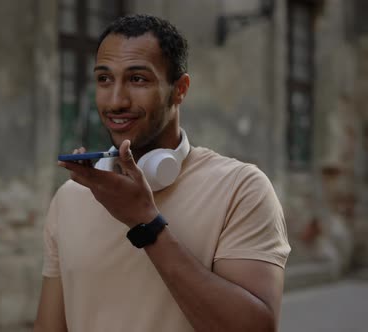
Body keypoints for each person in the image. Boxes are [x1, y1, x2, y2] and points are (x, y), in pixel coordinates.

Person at [34, 14, 290, 332]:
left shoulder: (241, 188)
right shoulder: (70, 197)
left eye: (138, 79)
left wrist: (146, 224)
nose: (116, 101)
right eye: (104, 79)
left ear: (179, 89)